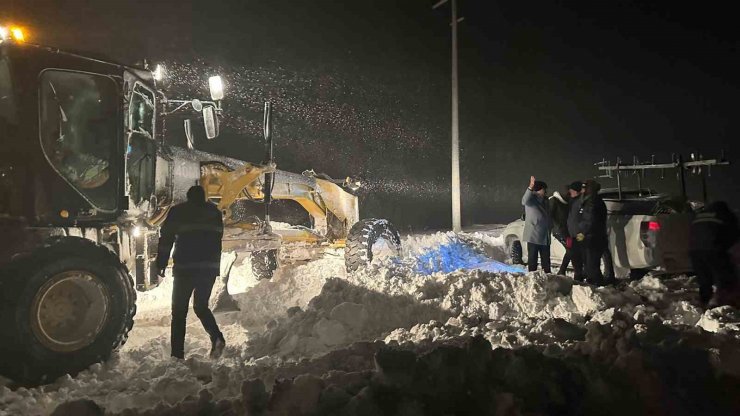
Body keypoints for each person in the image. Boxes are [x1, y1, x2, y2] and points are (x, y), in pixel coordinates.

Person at [156, 185, 226, 359]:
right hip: (208, 269)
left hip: (185, 269)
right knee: (201, 306)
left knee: (179, 312)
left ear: (188, 197)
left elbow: (166, 238)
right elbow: (217, 238)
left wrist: (161, 262)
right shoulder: (215, 212)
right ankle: (217, 337)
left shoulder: (179, 212)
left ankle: (177, 355)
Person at [689, 201, 740, 308]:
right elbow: (734, 235)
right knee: (725, 278)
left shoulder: (699, 216)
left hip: (695, 251)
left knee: (704, 281)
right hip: (714, 250)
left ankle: (704, 303)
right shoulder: (725, 215)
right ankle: (725, 305)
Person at [575, 180, 608, 285]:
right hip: (594, 237)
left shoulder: (592, 202)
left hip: (592, 238)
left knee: (592, 266)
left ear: (589, 189)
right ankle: (595, 285)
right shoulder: (593, 200)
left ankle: (596, 287)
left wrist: (580, 235)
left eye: (584, 188)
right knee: (592, 265)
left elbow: (589, 221)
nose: (582, 190)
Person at [550, 181, 582, 275]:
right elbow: (550, 216)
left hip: (569, 231)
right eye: (569, 193)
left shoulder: (568, 202)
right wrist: (557, 227)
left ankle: (576, 271)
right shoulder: (554, 201)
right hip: (560, 232)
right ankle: (563, 270)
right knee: (571, 249)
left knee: (573, 249)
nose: (570, 195)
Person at [522, 176, 552, 273]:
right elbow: (524, 201)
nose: (546, 191)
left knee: (546, 262)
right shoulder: (532, 200)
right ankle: (533, 279)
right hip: (533, 236)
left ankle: (548, 279)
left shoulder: (546, 201)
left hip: (545, 236)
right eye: (544, 189)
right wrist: (530, 187)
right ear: (539, 190)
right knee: (532, 261)